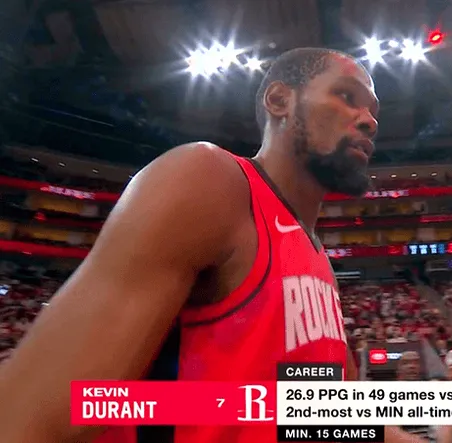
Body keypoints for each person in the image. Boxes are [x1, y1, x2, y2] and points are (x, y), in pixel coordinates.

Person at [0, 47, 427, 443]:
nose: (369, 121)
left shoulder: (318, 260)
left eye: (373, 110)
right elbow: (32, 413)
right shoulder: (209, 180)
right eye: (347, 97)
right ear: (280, 101)